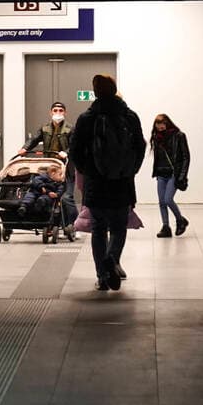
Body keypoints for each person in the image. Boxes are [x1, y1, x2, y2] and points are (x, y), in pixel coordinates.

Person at [69, 75, 146, 292]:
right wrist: (130, 170)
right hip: (122, 182)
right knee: (119, 227)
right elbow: (140, 146)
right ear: (114, 90)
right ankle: (111, 259)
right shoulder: (130, 117)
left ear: (96, 93)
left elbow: (74, 150)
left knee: (99, 229)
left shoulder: (87, 118)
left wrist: (88, 170)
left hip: (97, 184)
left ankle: (102, 276)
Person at [20, 100, 79, 240]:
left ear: (65, 113)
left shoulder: (71, 129)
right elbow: (34, 139)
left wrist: (67, 152)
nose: (58, 113)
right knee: (42, 194)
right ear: (50, 112)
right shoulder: (44, 128)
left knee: (66, 198)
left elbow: (76, 145)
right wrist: (25, 148)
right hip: (48, 167)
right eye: (55, 111)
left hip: (65, 169)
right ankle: (52, 223)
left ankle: (74, 225)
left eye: (60, 111)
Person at [151, 113, 192, 238]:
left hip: (173, 173)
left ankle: (180, 220)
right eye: (158, 125)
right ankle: (165, 227)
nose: (160, 127)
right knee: (161, 202)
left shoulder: (179, 136)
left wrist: (182, 175)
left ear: (167, 123)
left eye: (162, 124)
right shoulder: (156, 137)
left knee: (168, 199)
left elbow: (186, 157)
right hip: (161, 174)